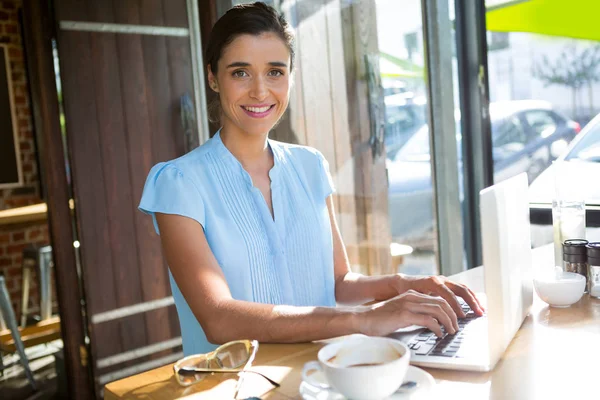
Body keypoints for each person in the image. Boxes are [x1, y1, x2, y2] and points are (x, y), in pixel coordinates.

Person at [139, 2, 484, 356]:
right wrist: (362, 320)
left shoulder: (310, 166)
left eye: (275, 72)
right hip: (236, 386)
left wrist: (403, 285)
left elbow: (339, 282)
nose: (260, 91)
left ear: (290, 75)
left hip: (323, 372)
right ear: (213, 77)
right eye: (240, 73)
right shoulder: (178, 184)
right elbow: (218, 319)